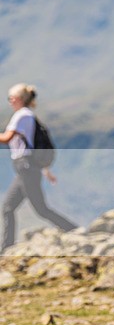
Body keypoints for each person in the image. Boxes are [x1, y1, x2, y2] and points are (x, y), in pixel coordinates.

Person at [0, 83, 77, 252]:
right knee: (8, 207)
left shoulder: (21, 115)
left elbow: (6, 138)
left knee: (41, 209)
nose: (10, 102)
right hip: (26, 168)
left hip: (25, 168)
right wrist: (45, 169)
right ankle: (6, 248)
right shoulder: (28, 116)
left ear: (19, 99)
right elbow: (32, 145)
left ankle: (73, 229)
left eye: (11, 98)